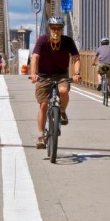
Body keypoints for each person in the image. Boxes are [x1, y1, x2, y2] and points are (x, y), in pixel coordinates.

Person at [30, 16, 81, 149]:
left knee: (63, 91)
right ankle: (41, 136)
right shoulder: (42, 40)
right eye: (53, 28)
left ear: (62, 29)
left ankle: (62, 111)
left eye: (59, 28)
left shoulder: (68, 41)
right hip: (43, 76)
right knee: (44, 105)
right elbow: (35, 57)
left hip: (61, 75)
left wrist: (76, 74)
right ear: (49, 28)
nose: (56, 31)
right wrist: (33, 73)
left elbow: (76, 58)